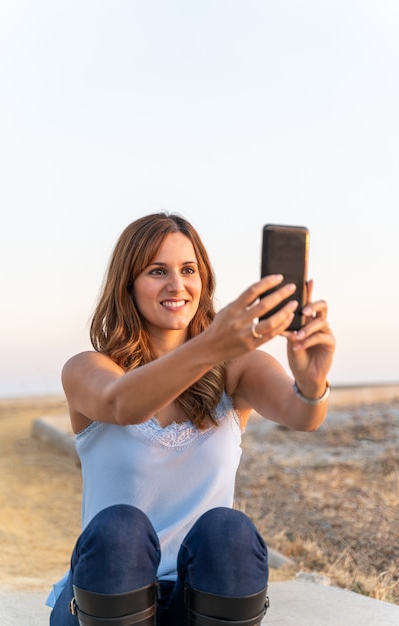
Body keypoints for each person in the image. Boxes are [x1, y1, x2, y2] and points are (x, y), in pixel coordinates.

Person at [47, 212, 335, 626]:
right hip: (109, 595)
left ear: (204, 281)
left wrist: (312, 383)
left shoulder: (235, 368)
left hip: (200, 599)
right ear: (128, 283)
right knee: (121, 528)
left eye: (188, 270)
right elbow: (121, 405)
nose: (176, 285)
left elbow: (302, 415)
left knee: (227, 530)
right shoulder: (89, 368)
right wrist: (211, 346)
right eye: (157, 271)